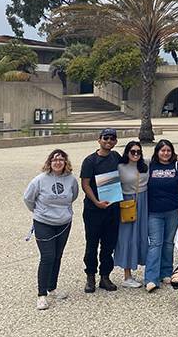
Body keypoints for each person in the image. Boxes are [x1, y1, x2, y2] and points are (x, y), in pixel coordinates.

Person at [23, 149, 79, 310]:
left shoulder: (71, 180)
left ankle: (52, 287)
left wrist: (63, 212)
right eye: (54, 159)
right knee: (48, 256)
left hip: (63, 223)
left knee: (57, 256)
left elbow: (73, 195)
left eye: (61, 159)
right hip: (43, 223)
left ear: (65, 162)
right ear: (49, 162)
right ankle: (41, 295)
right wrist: (40, 212)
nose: (58, 162)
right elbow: (28, 199)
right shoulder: (39, 180)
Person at [145, 139, 178, 292]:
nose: (165, 153)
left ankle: (166, 272)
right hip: (154, 211)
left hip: (173, 210)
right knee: (155, 243)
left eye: (168, 151)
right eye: (162, 150)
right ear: (157, 152)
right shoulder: (149, 166)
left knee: (168, 242)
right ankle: (151, 278)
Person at [79, 128, 121, 293]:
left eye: (112, 138)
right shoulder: (90, 161)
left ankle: (105, 276)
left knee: (108, 245)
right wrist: (96, 202)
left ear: (115, 141)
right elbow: (85, 184)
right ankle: (90, 276)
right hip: (94, 210)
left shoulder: (116, 157)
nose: (109, 141)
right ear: (99, 140)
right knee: (92, 244)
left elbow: (133, 163)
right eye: (106, 138)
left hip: (112, 208)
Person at [114, 141, 149, 288]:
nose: (135, 154)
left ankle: (150, 271)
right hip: (127, 203)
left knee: (142, 235)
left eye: (138, 152)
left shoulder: (147, 164)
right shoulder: (120, 167)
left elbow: (168, 158)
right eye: (132, 151)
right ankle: (127, 275)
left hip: (144, 201)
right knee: (127, 237)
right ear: (127, 152)